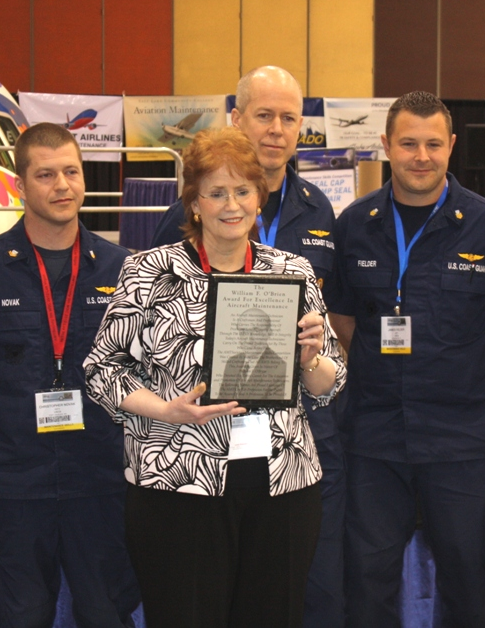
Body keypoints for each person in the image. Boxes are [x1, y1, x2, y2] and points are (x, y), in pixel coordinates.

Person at [84, 126, 346, 628]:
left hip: (281, 483)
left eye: (243, 190)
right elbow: (101, 370)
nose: (232, 204)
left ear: (259, 199)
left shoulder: (291, 272)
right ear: (195, 203)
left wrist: (312, 356)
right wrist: (167, 411)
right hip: (179, 482)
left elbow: (329, 384)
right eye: (217, 192)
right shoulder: (148, 272)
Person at [323, 91, 485, 627]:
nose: (422, 156)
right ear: (386, 146)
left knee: (468, 579)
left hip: (462, 439)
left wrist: (473, 377)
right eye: (409, 143)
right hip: (374, 436)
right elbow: (343, 316)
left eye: (434, 144)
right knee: (367, 583)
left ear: (452, 147)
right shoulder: (354, 224)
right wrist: (376, 369)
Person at [151, 66, 347, 628]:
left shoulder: (318, 211)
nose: (277, 129)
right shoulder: (180, 220)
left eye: (290, 117)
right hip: (204, 443)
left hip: (295, 439)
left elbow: (330, 329)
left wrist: (317, 360)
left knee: (292, 597)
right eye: (264, 114)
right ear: (237, 118)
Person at [0, 122, 140, 627]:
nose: (63, 186)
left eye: (72, 172)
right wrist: (15, 399)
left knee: (106, 613)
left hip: (100, 477)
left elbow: (141, 367)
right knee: (17, 615)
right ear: (19, 185)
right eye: (46, 174)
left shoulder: (123, 270)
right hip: (14, 482)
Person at [218, 307, 288, 400]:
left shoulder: (280, 369)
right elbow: (220, 402)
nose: (248, 339)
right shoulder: (232, 363)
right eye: (243, 332)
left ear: (268, 333)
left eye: (256, 331)